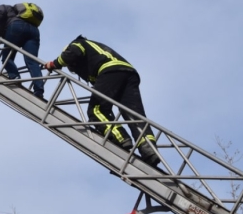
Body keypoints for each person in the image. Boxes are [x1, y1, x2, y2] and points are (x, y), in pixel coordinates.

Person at [44, 35, 160, 166]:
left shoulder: (77, 44)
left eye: (72, 66)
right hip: (128, 72)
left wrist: (54, 64)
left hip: (110, 70)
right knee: (134, 114)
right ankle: (149, 150)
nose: (73, 69)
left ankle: (120, 138)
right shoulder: (94, 50)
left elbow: (73, 53)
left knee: (96, 110)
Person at [0, 3, 45, 99]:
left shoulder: (1, 8)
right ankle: (39, 90)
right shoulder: (15, 13)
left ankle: (15, 77)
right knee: (32, 61)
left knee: (6, 57)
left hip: (17, 26)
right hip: (34, 31)